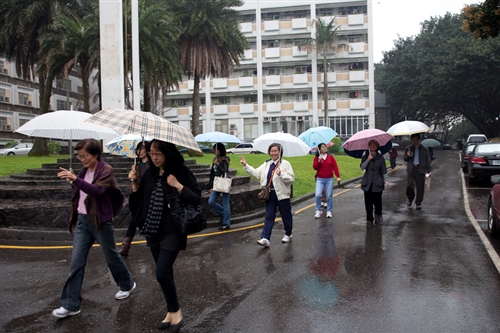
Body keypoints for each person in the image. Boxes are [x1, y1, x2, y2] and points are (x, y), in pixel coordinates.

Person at [53, 139, 135, 318]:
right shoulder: (83, 171)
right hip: (83, 221)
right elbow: (82, 192)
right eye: (80, 156)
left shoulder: (106, 170)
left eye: (85, 156)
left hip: (100, 221)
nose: (82, 159)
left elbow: (97, 191)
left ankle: (127, 284)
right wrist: (74, 179)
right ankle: (70, 304)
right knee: (76, 262)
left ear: (96, 154)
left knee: (111, 256)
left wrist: (76, 179)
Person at [129, 139, 201, 331]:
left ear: (167, 153)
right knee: (165, 273)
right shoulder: (149, 174)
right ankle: (170, 311)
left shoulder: (180, 172)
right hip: (153, 229)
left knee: (161, 272)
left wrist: (178, 185)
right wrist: (135, 184)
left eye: (157, 154)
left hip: (173, 230)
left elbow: (196, 197)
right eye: (150, 153)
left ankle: (175, 310)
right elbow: (138, 203)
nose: (153, 157)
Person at [240, 143, 295, 247]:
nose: (273, 153)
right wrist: (246, 166)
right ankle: (265, 238)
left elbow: (291, 179)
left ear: (280, 152)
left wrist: (281, 174)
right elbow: (257, 173)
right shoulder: (266, 164)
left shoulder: (286, 164)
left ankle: (288, 233)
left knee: (286, 216)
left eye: (275, 151)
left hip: (282, 195)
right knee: (269, 216)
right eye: (271, 151)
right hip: (270, 194)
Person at [118, 140, 151, 257]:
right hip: (137, 196)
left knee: (142, 220)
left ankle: (151, 242)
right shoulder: (137, 164)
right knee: (134, 219)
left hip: (147, 197)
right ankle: (125, 246)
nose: (139, 152)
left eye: (142, 149)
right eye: (138, 149)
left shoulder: (151, 165)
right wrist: (132, 179)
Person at [360, 140, 389, 225]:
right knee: (368, 202)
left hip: (377, 182)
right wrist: (368, 159)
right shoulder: (366, 156)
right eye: (371, 145)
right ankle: (369, 218)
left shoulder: (380, 157)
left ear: (377, 147)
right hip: (368, 183)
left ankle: (378, 214)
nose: (373, 146)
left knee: (377, 201)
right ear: (369, 146)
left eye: (374, 145)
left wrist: (386, 180)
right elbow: (362, 167)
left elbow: (384, 170)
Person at [206, 142, 231, 231]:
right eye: (213, 149)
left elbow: (224, 171)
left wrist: (218, 164)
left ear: (220, 150)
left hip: (224, 182)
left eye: (215, 149)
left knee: (225, 203)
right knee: (211, 201)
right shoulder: (215, 159)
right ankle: (224, 214)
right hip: (216, 183)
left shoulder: (225, 159)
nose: (214, 151)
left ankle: (226, 224)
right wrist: (210, 186)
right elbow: (212, 174)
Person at [403, 133, 431, 210]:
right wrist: (408, 155)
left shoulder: (425, 149)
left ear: (419, 140)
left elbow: (428, 159)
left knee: (420, 187)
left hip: (420, 169)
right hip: (411, 169)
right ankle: (410, 198)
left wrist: (428, 170)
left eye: (416, 140)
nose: (414, 141)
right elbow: (405, 159)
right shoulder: (408, 148)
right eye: (413, 140)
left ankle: (418, 202)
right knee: (409, 186)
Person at [313, 143, 341, 219]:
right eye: (323, 147)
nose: (325, 148)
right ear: (319, 149)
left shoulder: (331, 157)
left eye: (325, 146)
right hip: (320, 179)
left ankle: (329, 210)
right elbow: (315, 168)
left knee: (329, 196)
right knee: (318, 195)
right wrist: (318, 161)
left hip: (329, 179)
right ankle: (318, 210)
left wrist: (338, 176)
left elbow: (335, 167)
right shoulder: (317, 158)